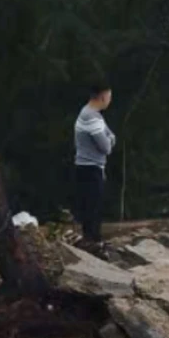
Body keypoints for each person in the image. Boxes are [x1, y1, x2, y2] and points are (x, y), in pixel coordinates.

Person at [73, 82, 115, 252]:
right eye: (110, 96)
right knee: (93, 207)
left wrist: (110, 138)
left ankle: (92, 239)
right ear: (103, 96)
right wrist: (110, 140)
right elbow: (106, 146)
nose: (110, 100)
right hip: (90, 168)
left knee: (91, 205)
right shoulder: (91, 117)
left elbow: (110, 134)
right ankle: (93, 242)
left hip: (88, 166)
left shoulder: (91, 114)